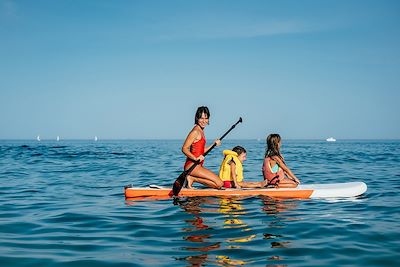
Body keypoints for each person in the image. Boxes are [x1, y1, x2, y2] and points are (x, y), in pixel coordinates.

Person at [182, 106, 224, 189]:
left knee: (218, 184)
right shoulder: (195, 131)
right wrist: (195, 158)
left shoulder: (201, 131)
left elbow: (201, 151)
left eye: (206, 118)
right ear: (197, 118)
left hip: (197, 165)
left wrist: (214, 144)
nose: (204, 121)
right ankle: (192, 178)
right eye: (201, 118)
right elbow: (184, 148)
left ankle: (191, 178)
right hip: (192, 165)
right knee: (219, 183)